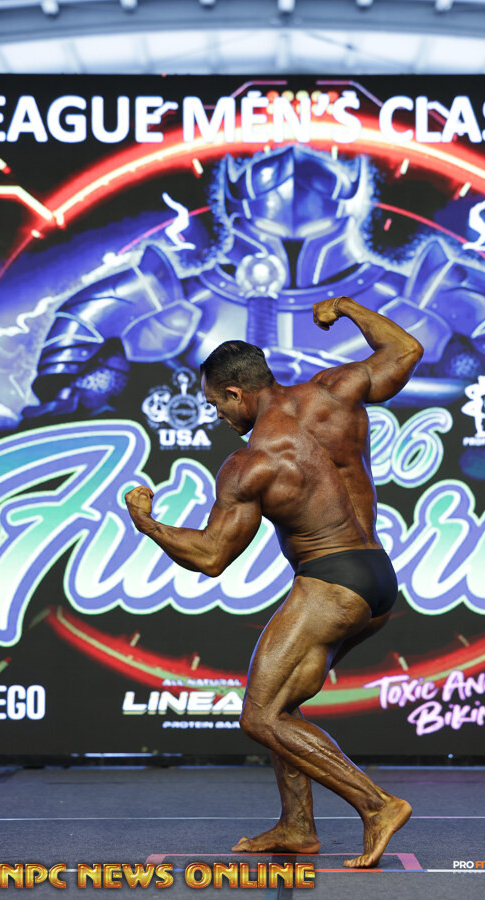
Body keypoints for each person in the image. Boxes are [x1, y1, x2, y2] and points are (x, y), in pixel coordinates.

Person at [125, 295, 423, 868]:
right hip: (377, 578)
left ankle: (378, 805)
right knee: (284, 705)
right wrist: (346, 307)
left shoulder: (252, 462)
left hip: (331, 583)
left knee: (260, 715)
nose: (218, 416)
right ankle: (297, 825)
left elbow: (211, 557)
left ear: (236, 393)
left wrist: (149, 524)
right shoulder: (334, 391)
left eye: (216, 405)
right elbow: (405, 350)